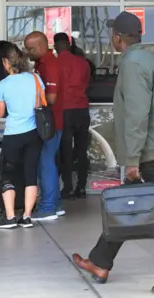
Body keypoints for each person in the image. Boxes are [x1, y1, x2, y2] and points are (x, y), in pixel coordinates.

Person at [71, 12, 154, 295]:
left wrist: (132, 159)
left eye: (111, 35)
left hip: (148, 149)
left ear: (117, 37)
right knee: (128, 204)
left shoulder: (132, 64)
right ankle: (100, 261)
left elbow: (136, 114)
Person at [0, 43, 43, 229]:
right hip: (33, 134)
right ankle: (27, 216)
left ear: (5, 62)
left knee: (7, 174)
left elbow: (0, 113)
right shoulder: (36, 79)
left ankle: (10, 217)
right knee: (30, 174)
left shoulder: (2, 85)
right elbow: (41, 103)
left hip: (12, 135)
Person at [24, 31, 64, 219]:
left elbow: (52, 97)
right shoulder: (42, 63)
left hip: (50, 122)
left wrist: (29, 100)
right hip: (48, 121)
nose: (28, 52)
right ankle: (54, 203)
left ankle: (48, 207)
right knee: (47, 162)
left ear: (41, 46)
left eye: (30, 48)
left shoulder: (50, 64)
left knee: (45, 162)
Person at [54, 33, 92, 199]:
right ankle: (81, 187)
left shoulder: (55, 64)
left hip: (64, 110)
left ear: (56, 46)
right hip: (82, 109)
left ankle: (67, 187)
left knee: (65, 152)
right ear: (68, 44)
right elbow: (88, 84)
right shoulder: (84, 63)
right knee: (82, 150)